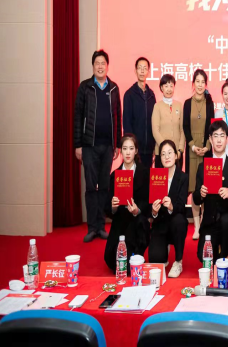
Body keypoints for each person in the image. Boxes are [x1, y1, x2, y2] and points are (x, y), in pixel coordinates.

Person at [74, 49, 122, 243]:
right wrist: (78, 144)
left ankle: (101, 226)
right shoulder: (85, 87)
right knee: (90, 187)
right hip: (89, 146)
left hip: (107, 146)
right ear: (93, 66)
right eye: (97, 63)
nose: (100, 66)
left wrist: (117, 143)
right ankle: (91, 227)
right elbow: (78, 116)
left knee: (103, 186)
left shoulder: (114, 88)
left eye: (103, 63)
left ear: (107, 66)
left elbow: (117, 116)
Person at [193, 120, 228, 263]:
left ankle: (224, 254)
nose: (219, 140)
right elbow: (196, 198)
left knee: (227, 223)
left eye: (222, 136)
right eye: (215, 136)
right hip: (209, 221)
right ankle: (216, 250)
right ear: (210, 139)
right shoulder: (203, 167)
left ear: (227, 139)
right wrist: (201, 193)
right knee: (203, 257)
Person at [103, 134, 150, 273]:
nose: (128, 152)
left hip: (137, 221)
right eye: (125, 148)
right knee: (111, 260)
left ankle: (138, 253)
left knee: (129, 265)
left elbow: (148, 202)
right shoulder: (115, 175)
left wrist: (138, 210)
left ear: (136, 151)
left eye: (131, 148)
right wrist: (113, 207)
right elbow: (107, 207)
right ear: (121, 151)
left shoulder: (145, 173)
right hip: (120, 222)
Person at [147, 140, 189, 278]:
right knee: (155, 259)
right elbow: (149, 206)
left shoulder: (183, 177)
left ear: (176, 155)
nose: (167, 157)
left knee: (179, 221)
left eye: (170, 153)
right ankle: (164, 248)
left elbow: (182, 206)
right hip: (160, 222)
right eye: (163, 154)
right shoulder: (155, 177)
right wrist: (153, 212)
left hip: (176, 221)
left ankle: (178, 261)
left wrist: (171, 206)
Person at [183, 69, 214, 240]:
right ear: (193, 84)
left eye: (203, 82)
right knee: (194, 188)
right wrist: (193, 146)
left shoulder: (210, 103)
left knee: (205, 188)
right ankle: (196, 227)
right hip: (192, 150)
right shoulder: (187, 103)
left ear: (206, 84)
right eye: (197, 81)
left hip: (206, 150)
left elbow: (212, 127)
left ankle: (203, 224)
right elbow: (185, 127)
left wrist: (207, 146)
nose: (200, 85)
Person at [123, 57, 156, 169]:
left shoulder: (152, 95)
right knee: (135, 178)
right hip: (135, 149)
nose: (142, 71)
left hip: (149, 149)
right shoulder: (129, 94)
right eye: (139, 68)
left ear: (148, 71)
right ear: (135, 71)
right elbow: (127, 122)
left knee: (147, 177)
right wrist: (131, 146)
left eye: (145, 68)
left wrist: (154, 145)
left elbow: (154, 122)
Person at [152, 73, 185, 168]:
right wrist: (165, 148)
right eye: (166, 86)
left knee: (176, 177)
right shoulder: (157, 106)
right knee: (161, 177)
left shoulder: (179, 105)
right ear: (161, 88)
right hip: (161, 153)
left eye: (171, 86)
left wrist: (180, 149)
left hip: (177, 154)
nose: (169, 89)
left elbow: (182, 130)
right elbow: (155, 131)